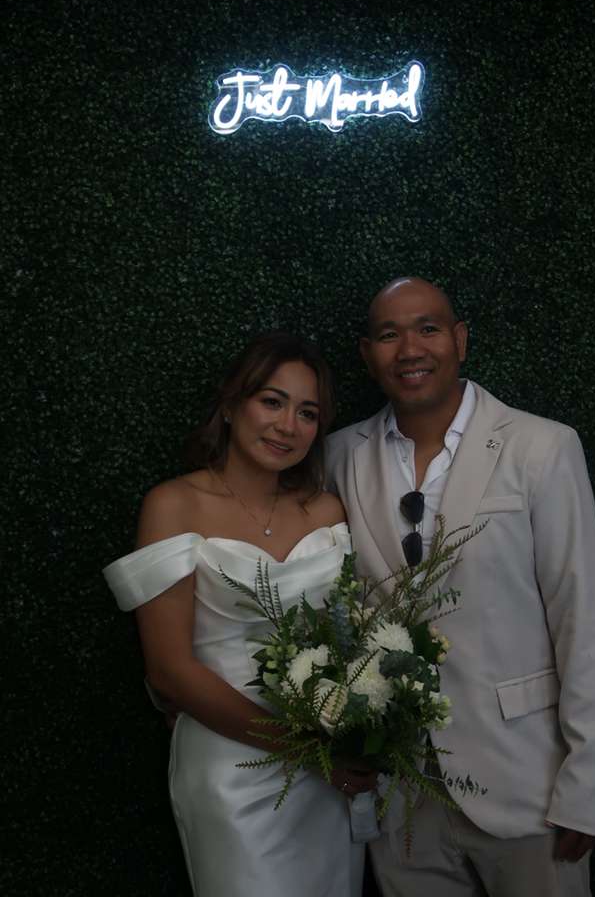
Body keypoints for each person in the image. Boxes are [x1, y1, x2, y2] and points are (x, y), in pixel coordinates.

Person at [326, 278, 595, 897]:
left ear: (460, 340)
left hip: (529, 782)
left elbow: (584, 619)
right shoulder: (337, 456)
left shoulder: (542, 447)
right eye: (389, 334)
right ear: (367, 353)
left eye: (428, 328)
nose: (410, 348)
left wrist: (590, 787)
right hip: (401, 791)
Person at [103, 332, 373, 897]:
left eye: (307, 413)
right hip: (231, 766)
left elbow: (350, 638)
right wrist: (303, 748)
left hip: (328, 773)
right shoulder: (173, 504)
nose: (287, 426)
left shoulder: (326, 509)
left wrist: (351, 733)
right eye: (272, 402)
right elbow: (169, 670)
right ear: (230, 405)